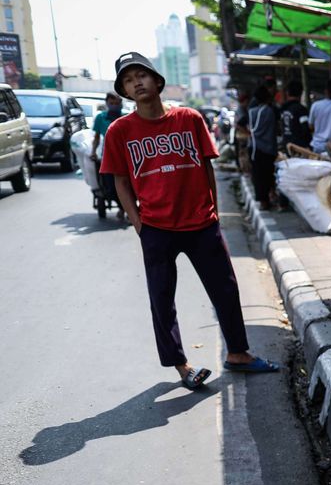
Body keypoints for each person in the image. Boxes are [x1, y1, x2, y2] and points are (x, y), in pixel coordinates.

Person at [100, 51, 279, 390]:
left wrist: (213, 209)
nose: (136, 82)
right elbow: (120, 181)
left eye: (141, 75)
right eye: (127, 79)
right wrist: (138, 223)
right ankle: (182, 366)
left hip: (201, 224)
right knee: (162, 299)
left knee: (225, 289)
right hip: (156, 228)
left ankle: (238, 353)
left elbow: (206, 166)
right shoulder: (119, 131)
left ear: (157, 80)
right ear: (124, 90)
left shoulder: (190, 118)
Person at [91, 91, 127, 221]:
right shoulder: (101, 118)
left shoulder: (126, 118)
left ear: (121, 104)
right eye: (111, 103)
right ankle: (123, 207)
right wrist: (93, 152)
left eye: (116, 103)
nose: (114, 105)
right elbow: (96, 138)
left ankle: (127, 208)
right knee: (111, 188)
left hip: (126, 158)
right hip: (108, 158)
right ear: (107, 103)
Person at [244, 84, 279, 210]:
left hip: (254, 148)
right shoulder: (270, 111)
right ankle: (271, 196)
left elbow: (248, 127)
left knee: (258, 176)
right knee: (268, 174)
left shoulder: (251, 112)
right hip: (268, 148)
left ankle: (263, 201)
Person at [278, 80, 310, 153]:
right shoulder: (301, 110)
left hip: (286, 146)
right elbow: (305, 129)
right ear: (301, 93)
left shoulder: (283, 109)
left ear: (288, 93)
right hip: (299, 148)